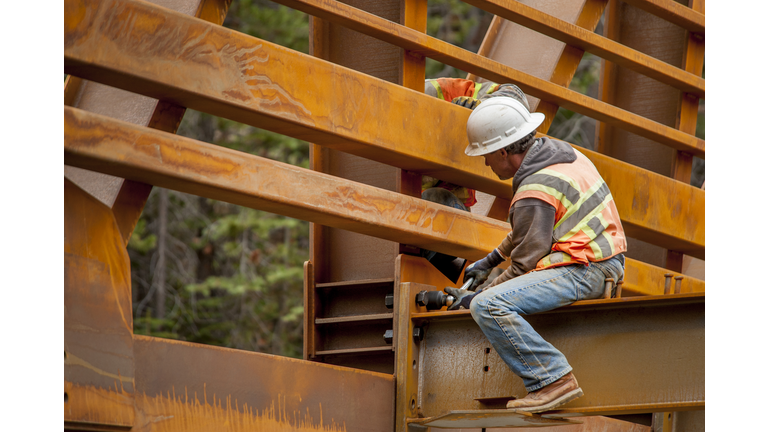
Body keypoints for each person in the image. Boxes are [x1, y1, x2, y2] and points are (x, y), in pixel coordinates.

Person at [446, 96, 627, 413]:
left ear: (503, 151)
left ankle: (553, 380)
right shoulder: (562, 156)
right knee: (488, 298)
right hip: (600, 262)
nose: (486, 163)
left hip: (585, 269)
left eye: (487, 155)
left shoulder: (534, 189)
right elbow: (529, 229)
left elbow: (523, 266)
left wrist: (478, 295)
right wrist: (488, 262)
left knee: (488, 306)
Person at [420, 79, 532, 281]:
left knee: (435, 199)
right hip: (408, 226)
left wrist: (485, 110)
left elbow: (514, 95)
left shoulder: (440, 91)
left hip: (446, 216)